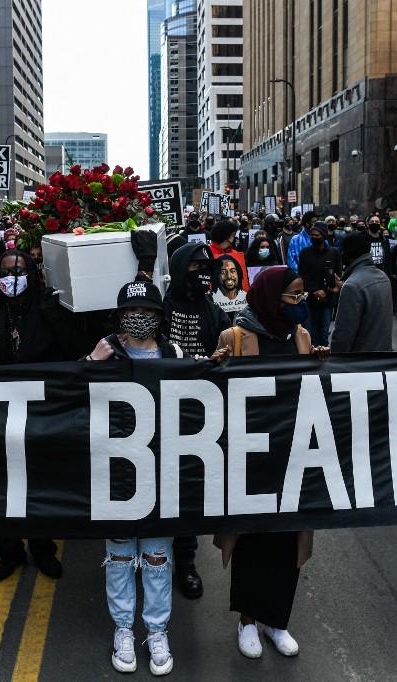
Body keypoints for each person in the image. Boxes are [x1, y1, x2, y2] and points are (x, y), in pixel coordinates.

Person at [213, 267, 325, 663]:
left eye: (302, 296)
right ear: (269, 298)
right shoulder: (236, 337)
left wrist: (319, 365)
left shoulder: (301, 337)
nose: (300, 304)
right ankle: (246, 621)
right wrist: (215, 367)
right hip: (252, 460)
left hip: (294, 459)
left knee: (287, 540)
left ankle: (276, 620)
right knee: (253, 540)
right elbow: (215, 395)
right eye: (293, 297)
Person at [83, 280, 182, 676]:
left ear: (159, 318)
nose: (137, 319)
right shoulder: (104, 350)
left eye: (146, 313)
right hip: (116, 475)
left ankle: (157, 630)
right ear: (118, 316)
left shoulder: (173, 353)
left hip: (161, 473)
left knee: (158, 556)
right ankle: (123, 628)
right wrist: (90, 362)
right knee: (120, 556)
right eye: (128, 313)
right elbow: (69, 399)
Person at [0, 249, 64, 583]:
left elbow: (66, 350)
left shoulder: (46, 307)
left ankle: (43, 547)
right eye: (5, 272)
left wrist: (54, 316)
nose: (12, 278)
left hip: (38, 412)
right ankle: (9, 551)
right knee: (0, 485)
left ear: (32, 275)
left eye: (19, 272)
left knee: (38, 483)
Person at [161, 242, 231, 599]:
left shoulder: (213, 310)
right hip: (157, 414)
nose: (204, 272)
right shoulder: (161, 306)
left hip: (197, 419)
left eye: (209, 266)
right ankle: (153, 557)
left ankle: (185, 561)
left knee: (187, 493)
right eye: (196, 266)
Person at [330, 230, 392, 352]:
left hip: (359, 362)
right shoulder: (383, 277)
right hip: (383, 356)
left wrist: (334, 361)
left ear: (346, 254)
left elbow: (343, 335)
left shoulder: (352, 286)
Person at [296, 221, 342, 346]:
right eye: (312, 235)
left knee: (323, 332)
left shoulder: (333, 253)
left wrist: (325, 291)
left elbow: (337, 274)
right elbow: (302, 275)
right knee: (310, 332)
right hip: (310, 298)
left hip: (327, 298)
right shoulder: (305, 253)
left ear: (324, 236)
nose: (314, 238)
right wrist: (315, 291)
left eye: (317, 235)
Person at [210, 254, 247, 319]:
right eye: (223, 272)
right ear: (217, 275)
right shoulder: (211, 301)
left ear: (238, 274)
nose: (229, 276)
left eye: (233, 271)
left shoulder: (247, 298)